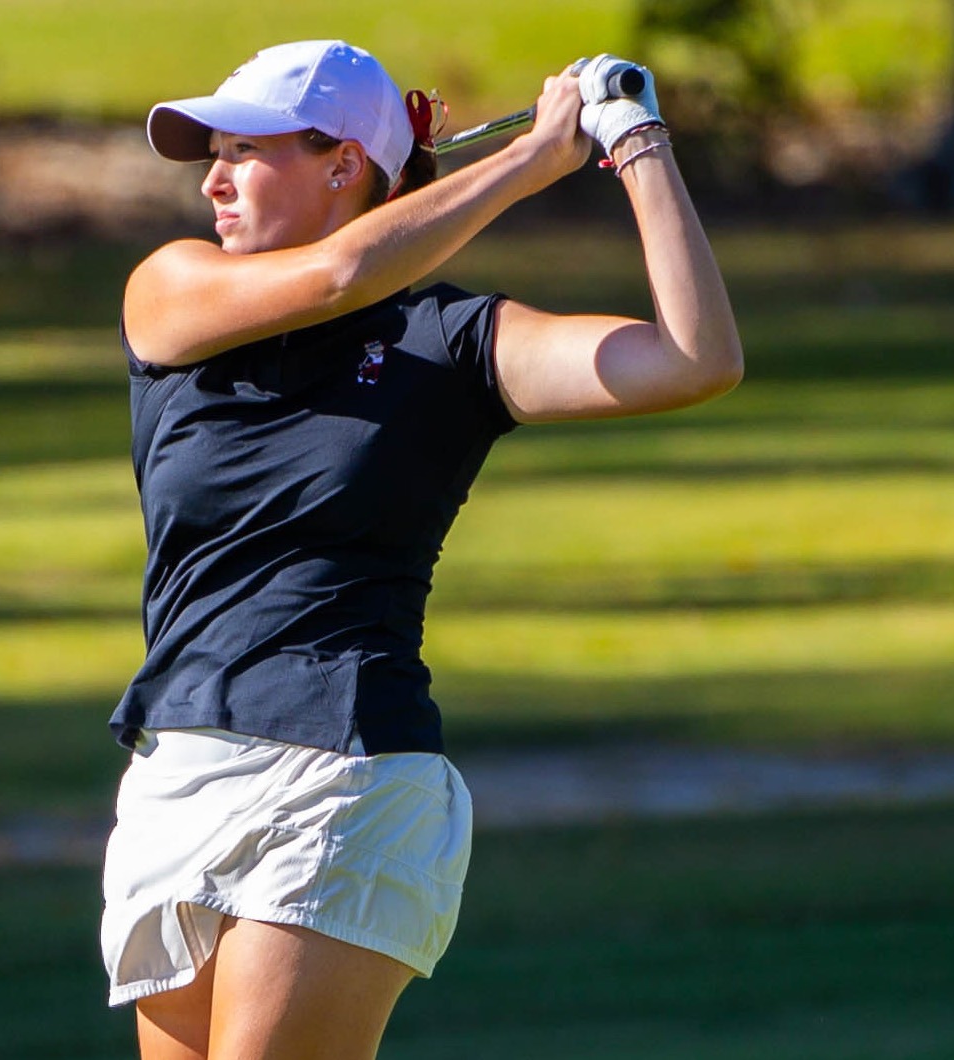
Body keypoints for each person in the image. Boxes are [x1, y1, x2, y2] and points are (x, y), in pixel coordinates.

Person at [101, 39, 742, 1060]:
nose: (212, 181)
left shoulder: (449, 344)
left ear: (343, 165)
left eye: (244, 151)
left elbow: (694, 358)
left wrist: (635, 139)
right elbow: (336, 274)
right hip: (177, 774)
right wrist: (531, 159)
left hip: (342, 768)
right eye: (209, 154)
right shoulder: (172, 293)